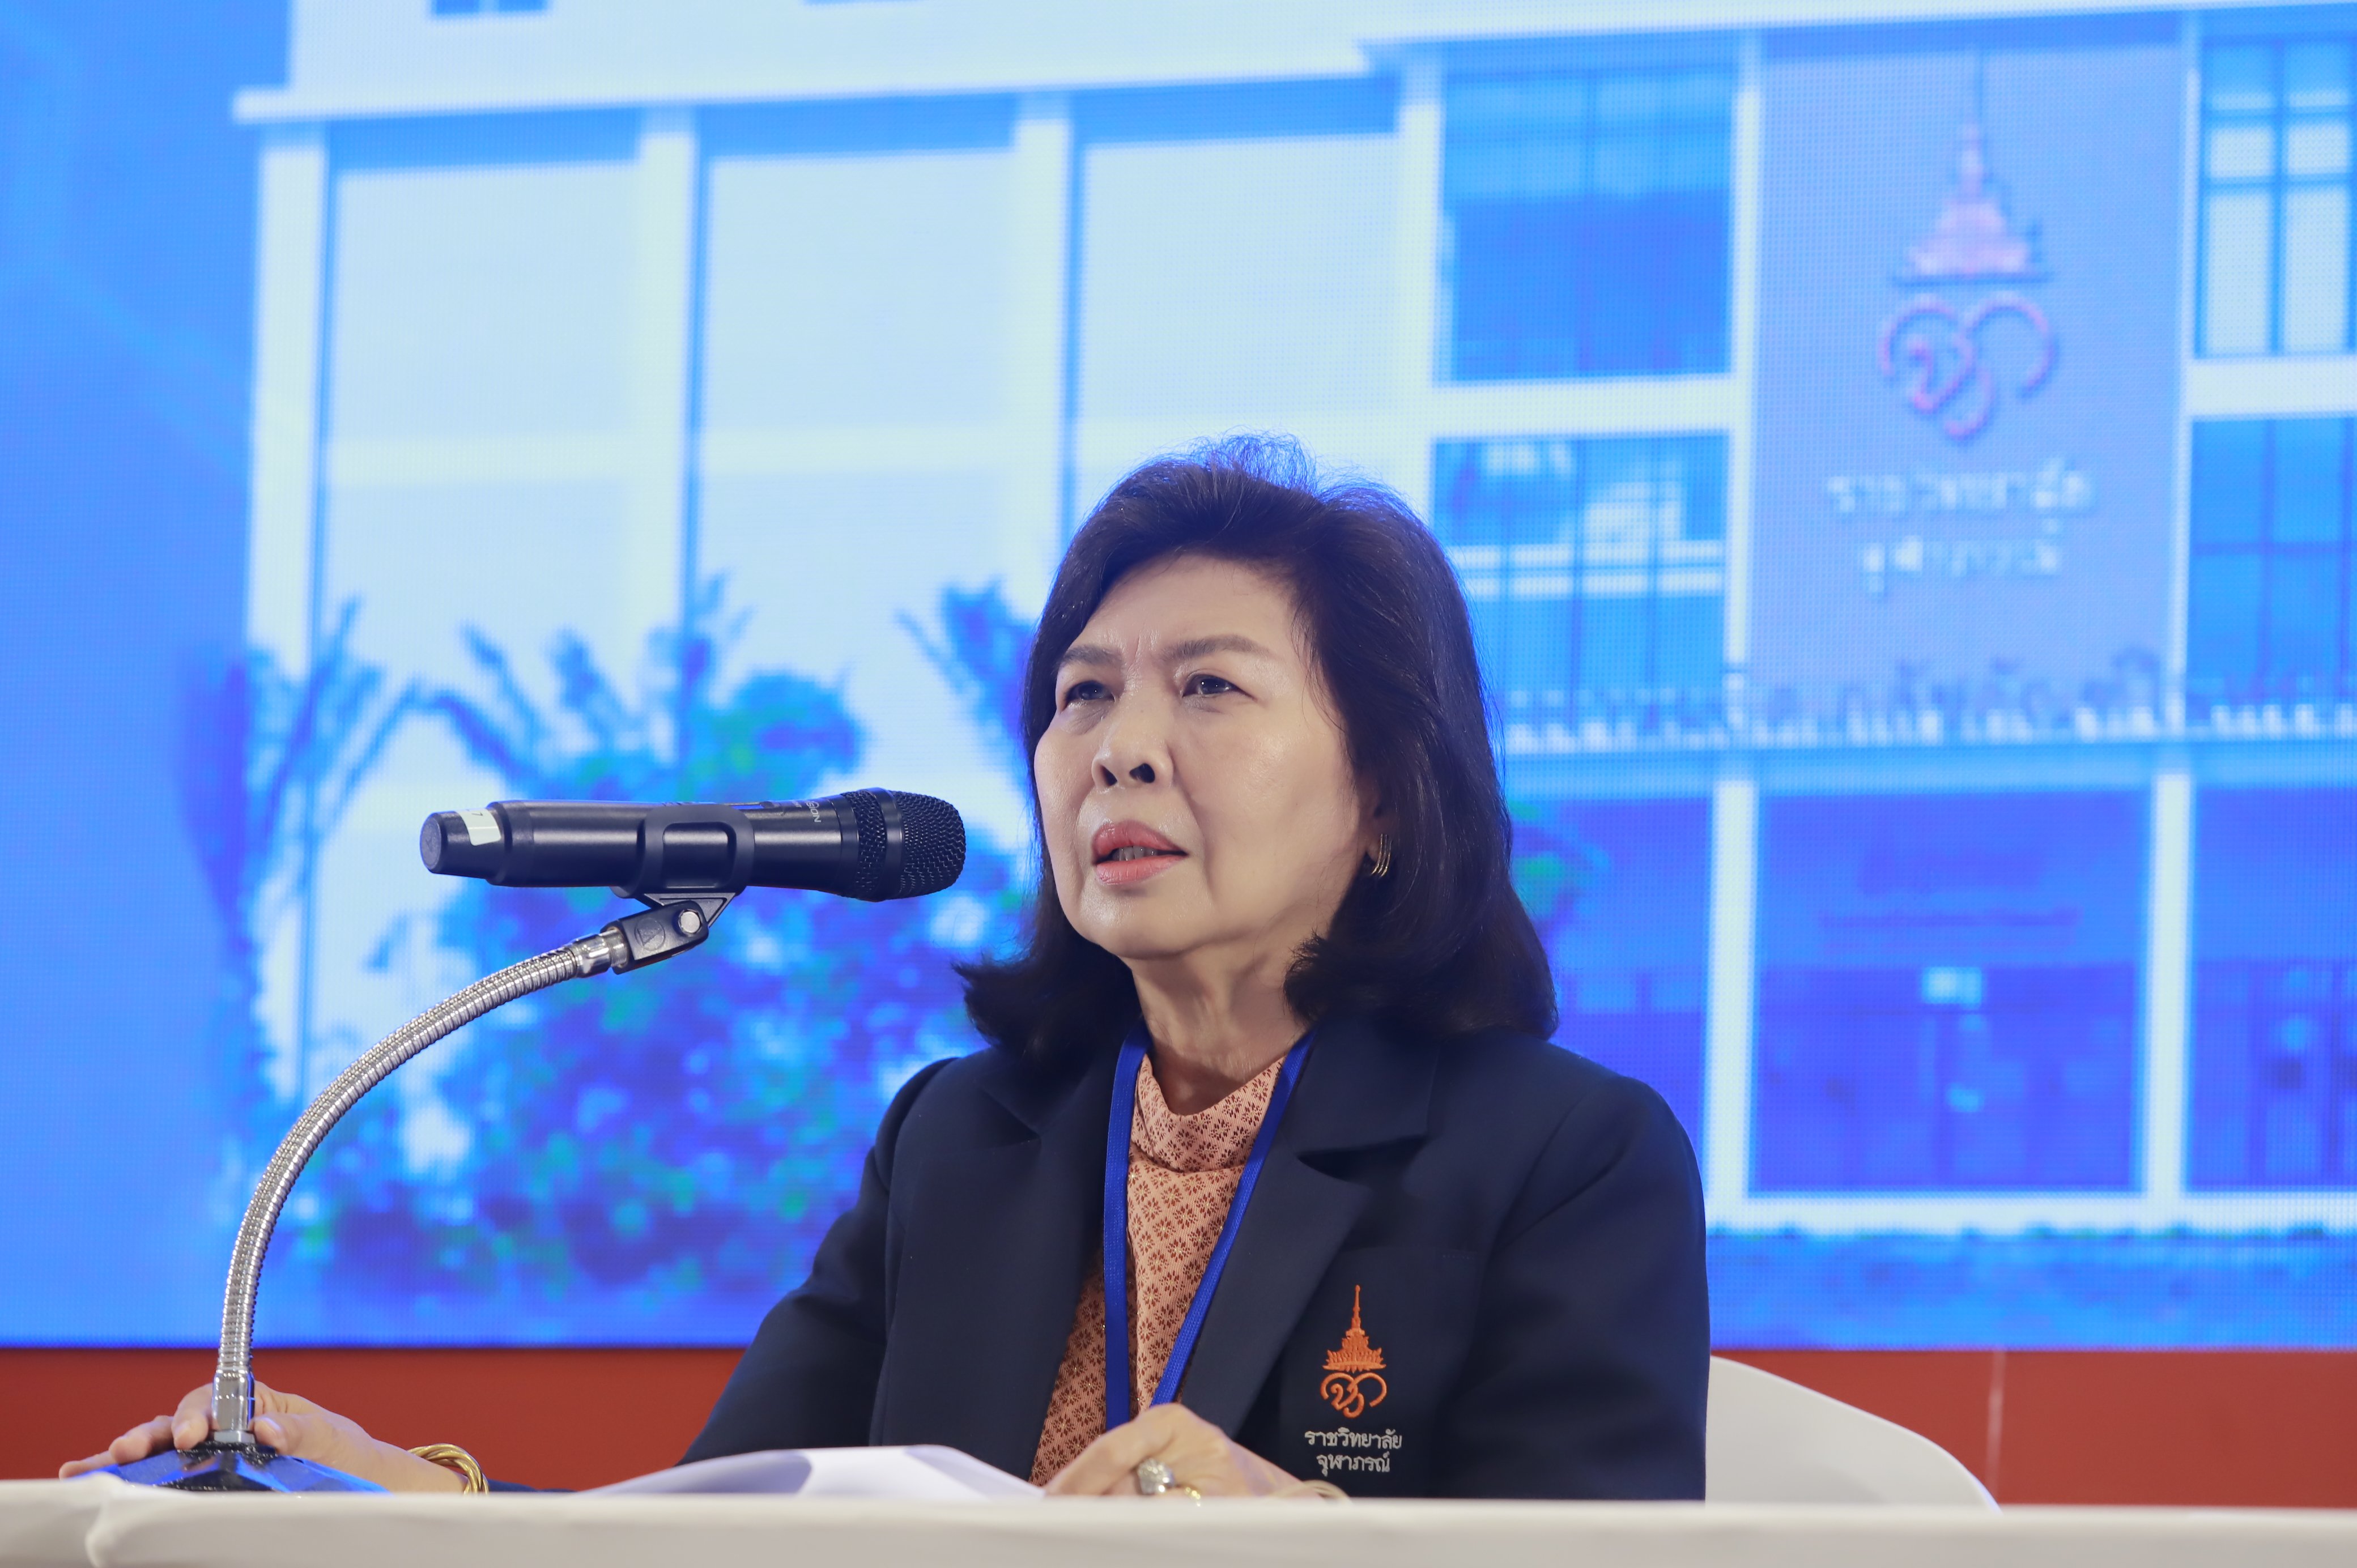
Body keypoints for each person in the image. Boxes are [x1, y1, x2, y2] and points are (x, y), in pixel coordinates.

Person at [65, 437, 1708, 1499]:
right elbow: (712, 1534)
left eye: (1209, 688)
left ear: (1387, 797)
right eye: (1081, 695)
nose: (1120, 750)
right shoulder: (962, 1141)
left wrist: (1300, 1531)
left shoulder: (1563, 1158)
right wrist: (382, 1488)